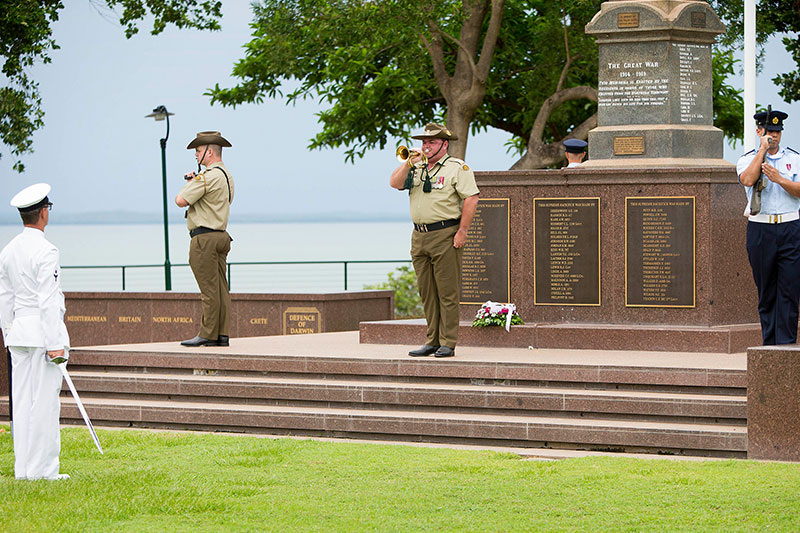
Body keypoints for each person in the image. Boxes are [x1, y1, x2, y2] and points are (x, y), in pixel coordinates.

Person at [390, 122, 480, 358]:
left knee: (447, 292)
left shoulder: (457, 168)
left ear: (444, 144)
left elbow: (471, 198)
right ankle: (432, 340)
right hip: (419, 235)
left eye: (431, 142)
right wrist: (410, 162)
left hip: (445, 234)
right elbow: (394, 183)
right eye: (423, 142)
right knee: (426, 292)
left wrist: (463, 231)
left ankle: (448, 342)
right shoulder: (416, 166)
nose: (425, 146)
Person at [0, 183, 71, 480]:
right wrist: (55, 342)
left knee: (22, 402)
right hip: (42, 335)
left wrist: (8, 333)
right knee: (43, 403)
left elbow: (5, 298)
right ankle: (44, 471)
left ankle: (24, 469)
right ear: (43, 213)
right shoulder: (46, 250)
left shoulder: (8, 250)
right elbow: (48, 299)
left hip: (19, 334)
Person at [737, 108, 800, 345]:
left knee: (790, 289)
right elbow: (748, 179)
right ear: (759, 131)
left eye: (777, 132)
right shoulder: (748, 158)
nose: (773, 136)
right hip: (761, 229)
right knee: (767, 291)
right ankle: (769, 345)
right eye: (768, 131)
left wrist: (780, 179)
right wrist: (762, 150)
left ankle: (786, 345)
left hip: (790, 227)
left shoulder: (794, 159)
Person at [176, 131, 235, 347]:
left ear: (209, 152)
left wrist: (191, 183)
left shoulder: (207, 176)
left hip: (204, 238)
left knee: (209, 290)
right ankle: (222, 333)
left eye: (198, 151)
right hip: (221, 236)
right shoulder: (227, 176)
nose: (196, 155)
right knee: (221, 288)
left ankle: (208, 334)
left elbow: (180, 200)